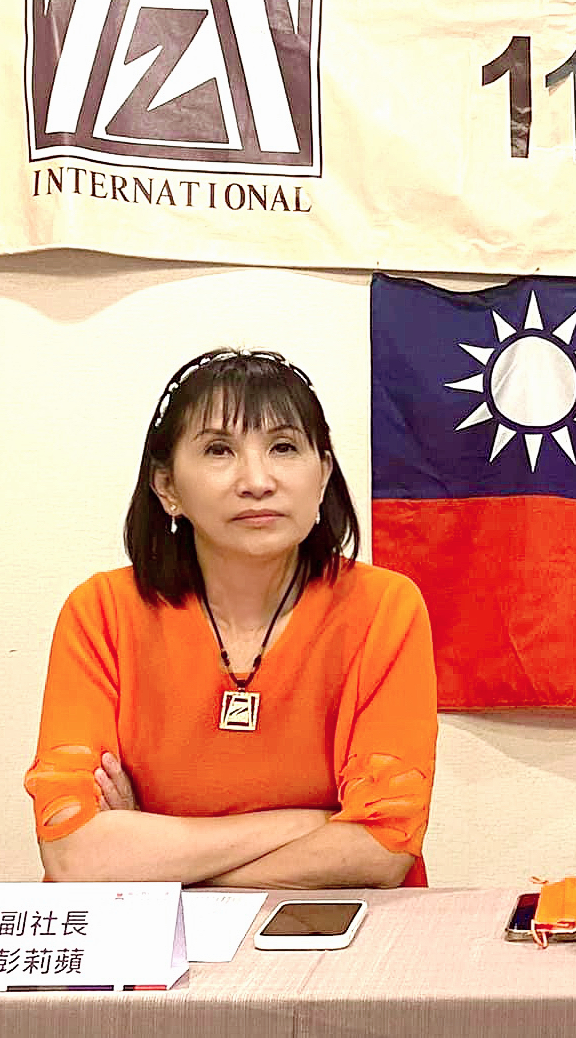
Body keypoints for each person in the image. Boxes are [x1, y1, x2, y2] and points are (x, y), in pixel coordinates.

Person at [25, 349, 438, 887]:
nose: (257, 480)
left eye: (284, 447)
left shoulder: (385, 607)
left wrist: (163, 866)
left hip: (342, 926)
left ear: (322, 475)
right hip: (148, 936)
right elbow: (75, 856)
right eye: (219, 450)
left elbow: (381, 850)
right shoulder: (101, 612)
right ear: (167, 488)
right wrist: (313, 823)